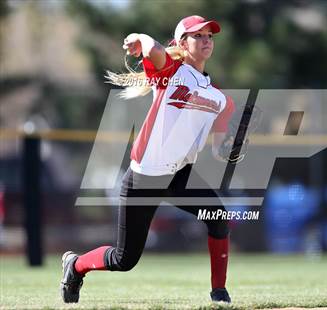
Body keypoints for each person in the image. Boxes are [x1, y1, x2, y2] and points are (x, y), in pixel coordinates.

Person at [60, 15, 235, 304]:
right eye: (197, 36)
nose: (206, 40)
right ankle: (75, 265)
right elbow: (153, 49)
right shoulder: (172, 72)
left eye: (209, 36)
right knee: (124, 258)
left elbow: (220, 145)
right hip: (144, 177)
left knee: (218, 218)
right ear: (182, 43)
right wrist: (138, 38)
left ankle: (219, 293)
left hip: (179, 174)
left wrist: (231, 144)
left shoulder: (220, 99)